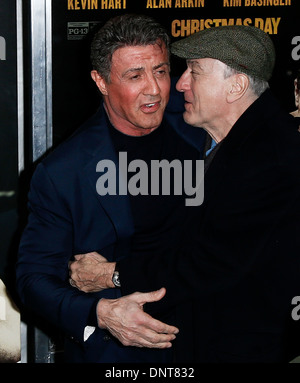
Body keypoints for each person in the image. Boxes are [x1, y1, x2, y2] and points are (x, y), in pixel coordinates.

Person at [69, 25, 300, 362]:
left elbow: (211, 262)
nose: (180, 83)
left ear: (236, 86)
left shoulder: (269, 158)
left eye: (195, 71)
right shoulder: (226, 143)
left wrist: (111, 274)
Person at [15, 14, 206, 363]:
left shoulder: (201, 129)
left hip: (209, 338)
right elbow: (33, 279)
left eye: (161, 71)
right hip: (122, 352)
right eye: (135, 76)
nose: (153, 89)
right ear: (101, 81)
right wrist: (102, 313)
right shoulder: (64, 171)